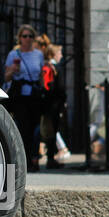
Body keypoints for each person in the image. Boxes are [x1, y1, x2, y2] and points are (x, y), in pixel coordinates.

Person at [4, 24, 45, 172]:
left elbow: (40, 75)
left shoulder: (38, 54)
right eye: (24, 36)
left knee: (36, 128)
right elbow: (6, 77)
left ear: (34, 38)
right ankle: (25, 160)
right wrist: (13, 71)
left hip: (34, 95)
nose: (27, 39)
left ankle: (34, 158)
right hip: (20, 95)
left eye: (30, 36)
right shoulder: (13, 55)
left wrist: (43, 90)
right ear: (19, 38)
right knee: (23, 128)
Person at [36, 34, 70, 168]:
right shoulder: (54, 68)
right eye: (59, 52)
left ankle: (44, 158)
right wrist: (63, 100)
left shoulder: (46, 67)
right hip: (53, 104)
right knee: (51, 131)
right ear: (53, 54)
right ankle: (50, 159)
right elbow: (58, 87)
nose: (61, 54)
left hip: (46, 103)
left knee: (48, 131)